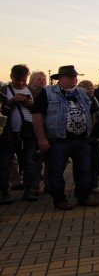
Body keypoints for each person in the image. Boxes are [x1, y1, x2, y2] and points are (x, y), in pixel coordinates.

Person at [31, 65, 99, 210]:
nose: (74, 79)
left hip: (81, 140)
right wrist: (41, 139)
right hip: (59, 140)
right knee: (56, 171)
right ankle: (59, 199)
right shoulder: (47, 93)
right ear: (60, 78)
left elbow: (92, 112)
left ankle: (83, 197)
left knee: (84, 170)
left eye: (75, 76)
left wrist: (90, 131)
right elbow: (37, 115)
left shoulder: (82, 92)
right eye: (70, 76)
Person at [0, 64, 41, 202]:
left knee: (30, 162)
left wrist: (31, 105)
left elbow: (39, 111)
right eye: (18, 80)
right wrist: (12, 101)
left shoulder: (32, 90)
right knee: (5, 163)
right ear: (11, 76)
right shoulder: (3, 91)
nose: (21, 83)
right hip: (9, 134)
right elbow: (2, 111)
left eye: (23, 80)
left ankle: (29, 190)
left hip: (29, 133)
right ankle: (4, 192)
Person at [77, 79, 99, 193]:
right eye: (88, 88)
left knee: (95, 161)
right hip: (83, 136)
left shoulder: (93, 99)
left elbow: (96, 115)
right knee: (84, 162)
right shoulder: (78, 99)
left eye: (92, 87)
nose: (91, 90)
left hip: (94, 135)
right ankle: (85, 185)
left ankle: (93, 183)